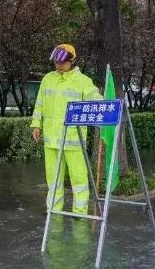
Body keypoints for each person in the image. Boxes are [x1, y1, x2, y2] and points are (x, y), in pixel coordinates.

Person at [31, 44, 102, 214]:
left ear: (72, 61)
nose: (58, 66)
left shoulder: (83, 81)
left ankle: (80, 211)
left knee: (78, 179)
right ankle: (54, 210)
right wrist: (35, 124)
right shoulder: (48, 78)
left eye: (62, 63)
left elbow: (94, 97)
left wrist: (106, 104)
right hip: (51, 139)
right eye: (56, 62)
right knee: (53, 179)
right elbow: (39, 103)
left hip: (73, 140)